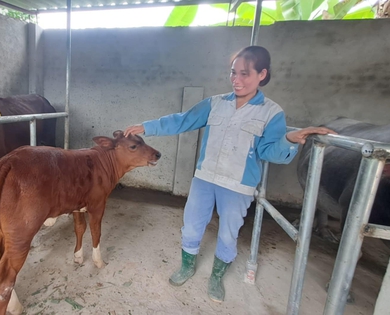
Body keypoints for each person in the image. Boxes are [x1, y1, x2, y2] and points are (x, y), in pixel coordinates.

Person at [124, 46, 336, 303]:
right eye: (233, 73)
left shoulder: (271, 112)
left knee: (228, 233)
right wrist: (147, 127)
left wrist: (289, 139)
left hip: (238, 185)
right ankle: (187, 266)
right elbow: (182, 120)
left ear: (262, 74)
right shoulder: (215, 104)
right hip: (205, 178)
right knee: (192, 224)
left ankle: (216, 276)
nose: (236, 80)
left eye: (245, 74)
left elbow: (270, 152)